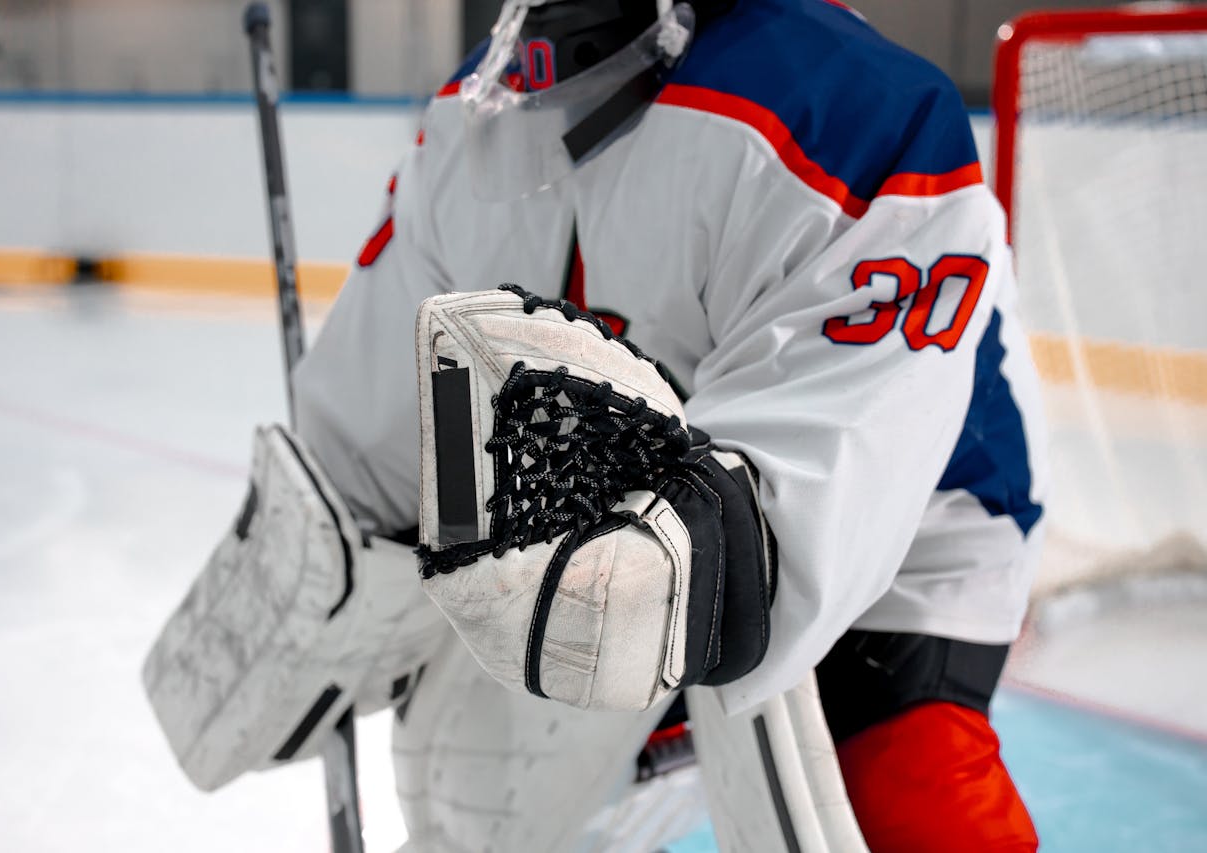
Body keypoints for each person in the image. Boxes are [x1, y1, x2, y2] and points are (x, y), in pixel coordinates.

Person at [146, 1, 1047, 850]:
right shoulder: (483, 107)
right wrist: (317, 559)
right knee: (471, 786)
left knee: (904, 794)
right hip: (616, 511)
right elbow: (390, 403)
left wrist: (657, 590)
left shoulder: (849, 106)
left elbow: (822, 466)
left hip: (901, 534)